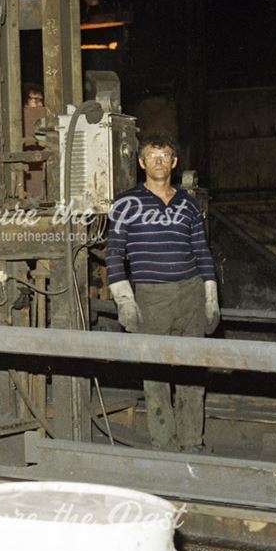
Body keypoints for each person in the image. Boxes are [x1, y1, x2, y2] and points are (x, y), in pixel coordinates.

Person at [106, 135, 220, 452]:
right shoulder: (126, 204)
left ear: (174, 162)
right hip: (151, 297)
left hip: (190, 295)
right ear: (141, 163)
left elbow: (202, 251)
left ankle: (191, 443)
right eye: (152, 156)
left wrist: (210, 297)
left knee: (191, 375)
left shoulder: (189, 204)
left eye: (165, 155)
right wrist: (125, 300)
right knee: (155, 376)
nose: (159, 161)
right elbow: (114, 254)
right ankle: (164, 446)